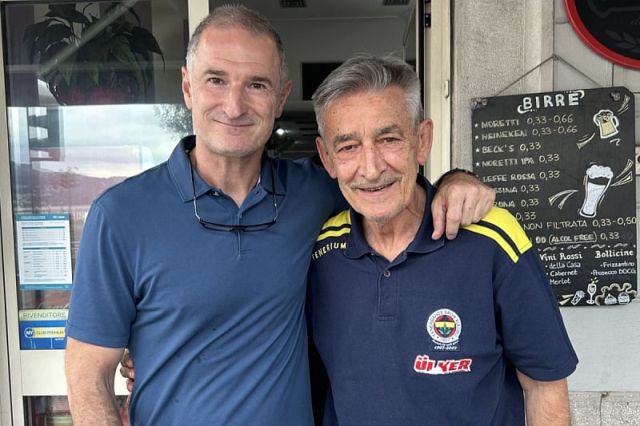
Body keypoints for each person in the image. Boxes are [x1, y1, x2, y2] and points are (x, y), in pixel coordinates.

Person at [64, 5, 494, 426]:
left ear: (281, 98)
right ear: (188, 87)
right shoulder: (120, 215)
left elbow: (387, 184)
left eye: (257, 85)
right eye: (216, 80)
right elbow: (87, 377)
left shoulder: (315, 192)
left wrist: (455, 180)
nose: (234, 105)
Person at [307, 54, 578, 425]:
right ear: (327, 158)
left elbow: (543, 385)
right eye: (348, 147)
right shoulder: (319, 251)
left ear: (422, 141)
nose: (370, 169)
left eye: (389, 139)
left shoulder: (492, 239)